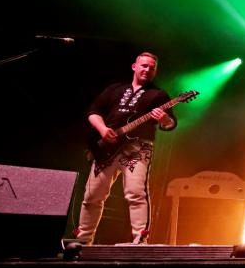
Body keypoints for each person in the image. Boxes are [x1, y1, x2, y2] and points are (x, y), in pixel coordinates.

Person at [74, 52, 177, 244]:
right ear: (134, 67)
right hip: (107, 147)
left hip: (137, 148)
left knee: (136, 193)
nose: (147, 69)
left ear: (155, 72)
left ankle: (140, 240)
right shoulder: (115, 89)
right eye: (144, 65)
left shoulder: (159, 94)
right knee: (92, 195)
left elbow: (171, 124)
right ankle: (83, 240)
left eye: (152, 68)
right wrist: (103, 129)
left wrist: (164, 119)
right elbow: (93, 112)